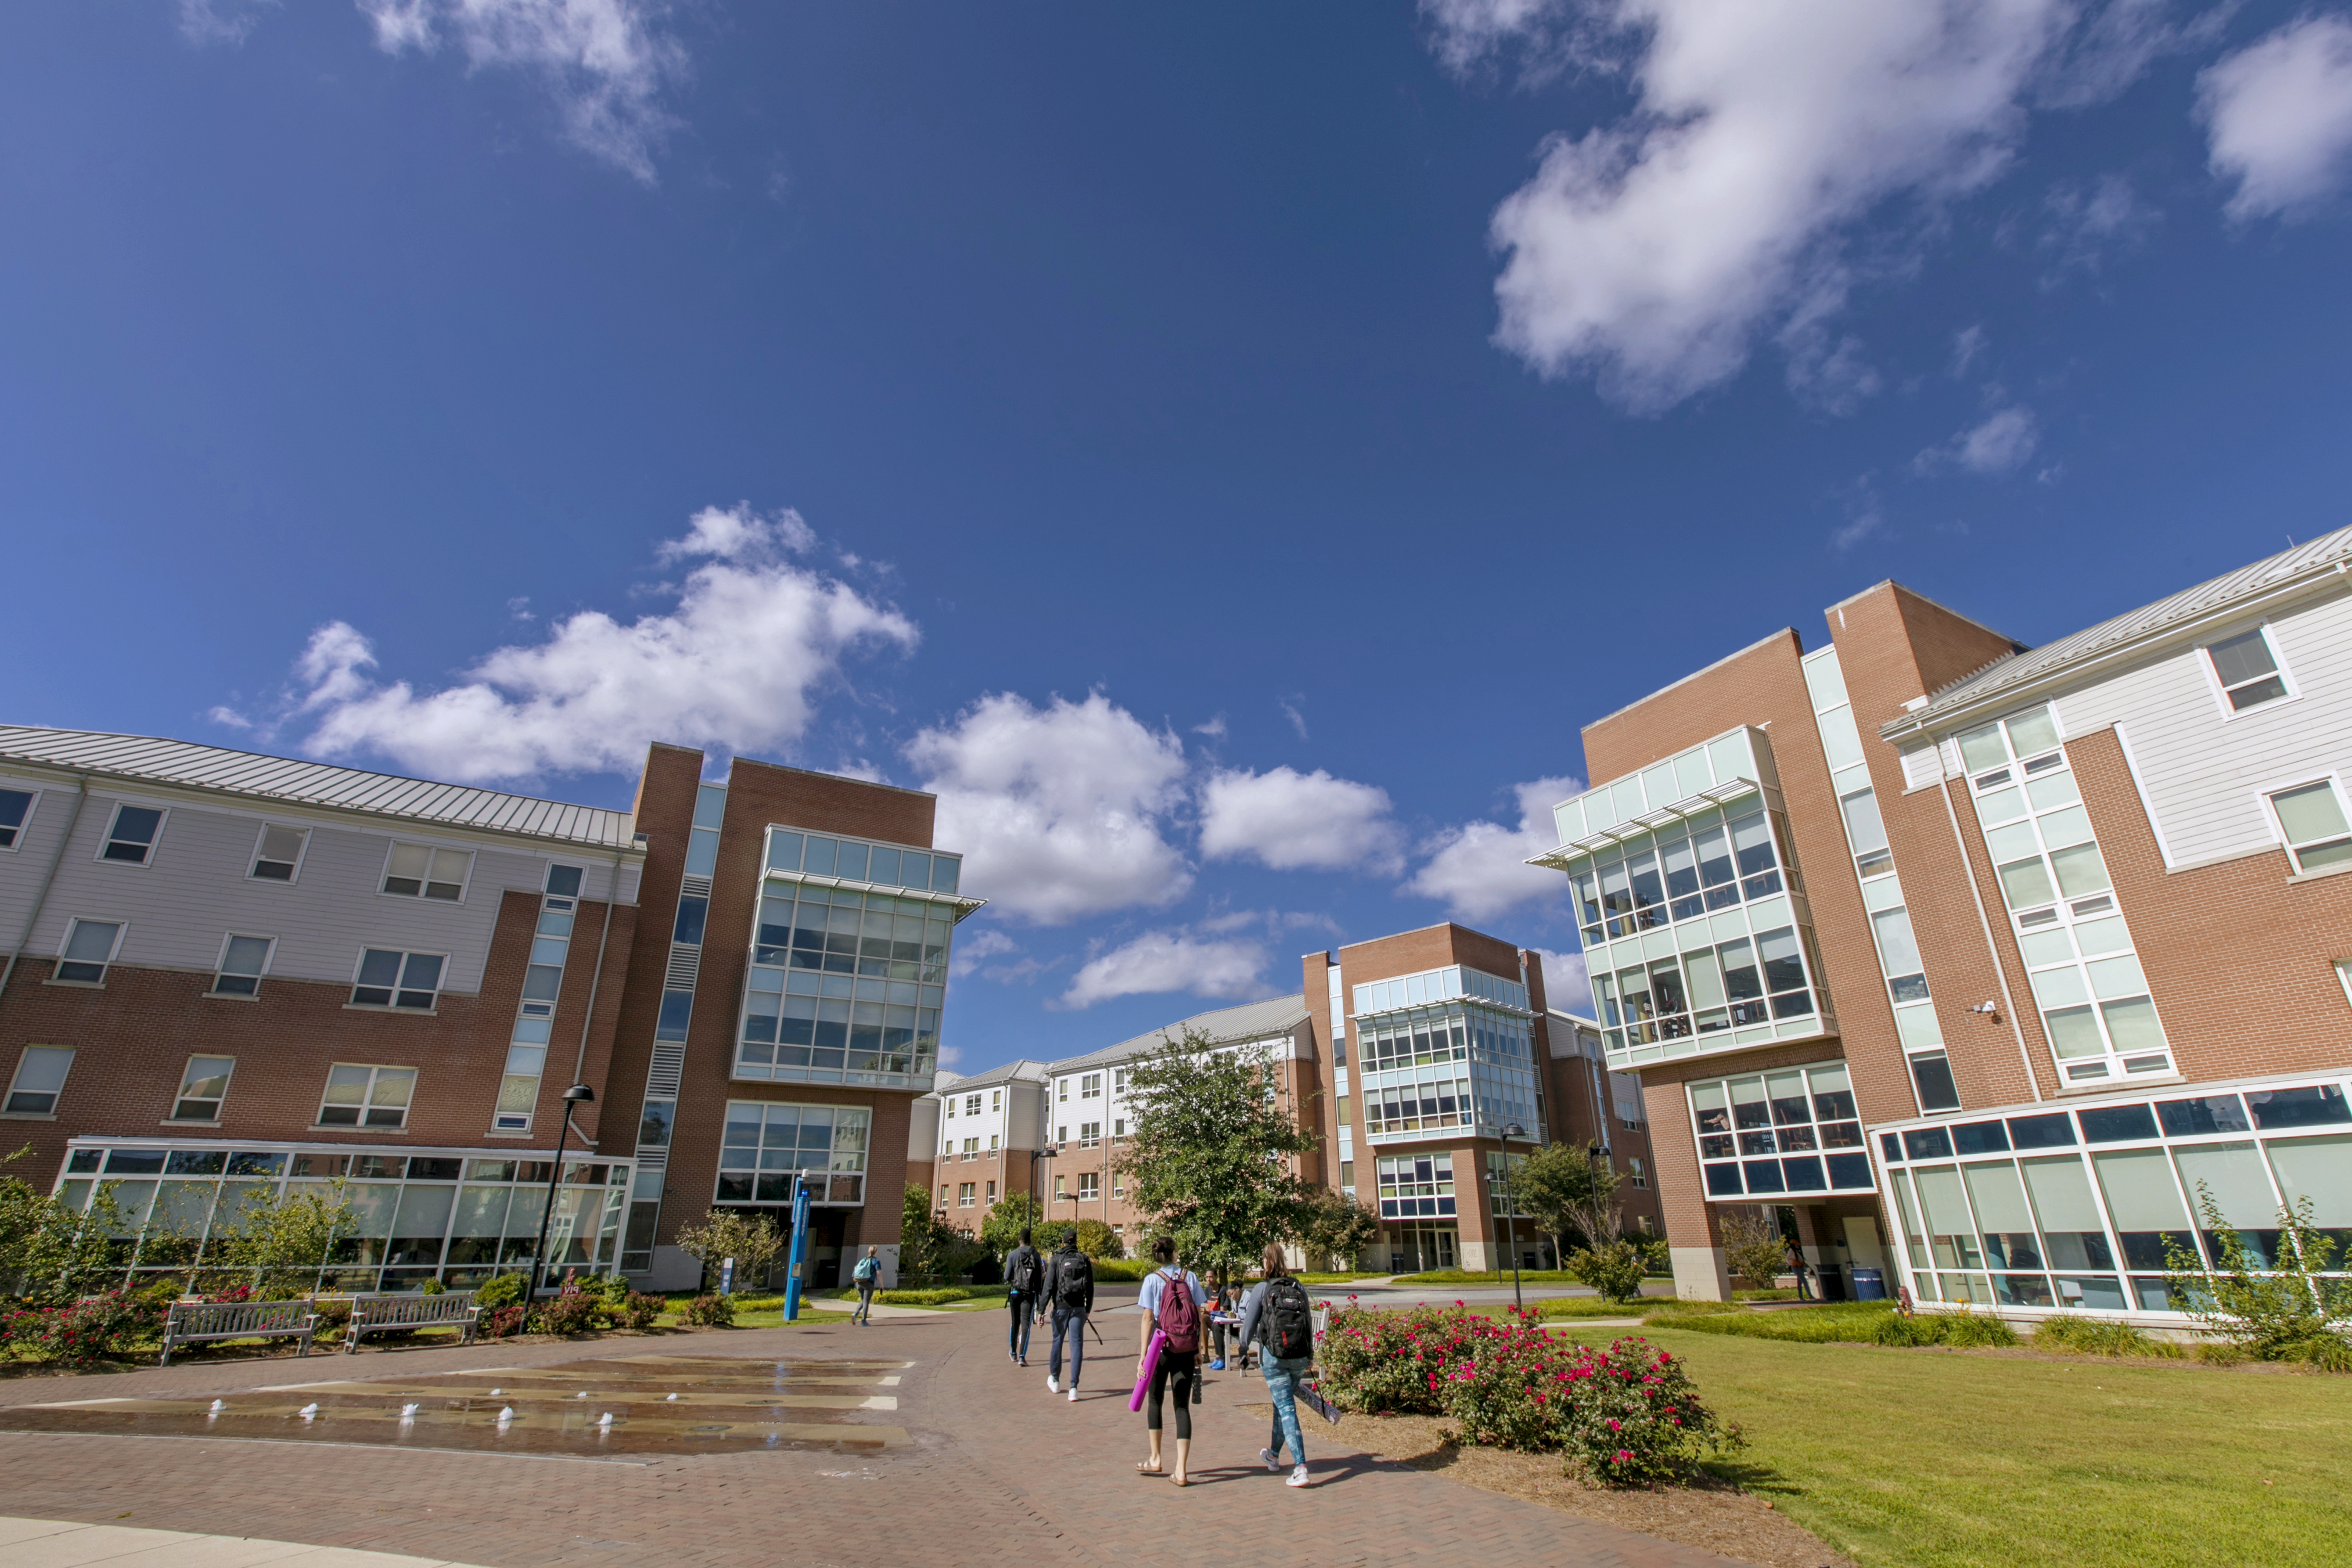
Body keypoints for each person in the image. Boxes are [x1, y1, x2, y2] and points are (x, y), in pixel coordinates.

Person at [1236, 1242, 1316, 1488]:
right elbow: (1308, 1321)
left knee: (1286, 1408)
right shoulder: (1297, 1286)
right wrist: (1310, 1353)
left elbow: (1248, 1326)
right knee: (1281, 1405)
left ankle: (1301, 1467)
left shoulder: (1263, 1288)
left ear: (1267, 1263)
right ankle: (1273, 1455)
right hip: (1299, 1356)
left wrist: (1243, 1349)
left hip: (1275, 1356)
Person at [1135, 1235, 1207, 1486]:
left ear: (1157, 1256)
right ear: (1174, 1253)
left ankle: (1155, 1459)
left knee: (1155, 1400)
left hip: (1161, 1349)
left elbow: (1147, 1319)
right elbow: (1200, 1312)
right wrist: (1199, 1348)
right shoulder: (1191, 1277)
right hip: (1186, 1348)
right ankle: (1181, 1470)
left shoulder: (1152, 1280)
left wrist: (1144, 1357)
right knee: (1182, 1407)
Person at [1044, 1231, 1093, 1401]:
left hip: (1060, 1307)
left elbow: (1048, 1286)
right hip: (1079, 1307)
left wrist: (1041, 1310)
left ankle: (1055, 1380)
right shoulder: (1084, 1259)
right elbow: (1091, 1287)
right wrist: (1088, 1309)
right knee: (1077, 1345)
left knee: (1057, 1341)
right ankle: (1074, 1388)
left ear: (1064, 1243)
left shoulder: (1057, 1259)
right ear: (1075, 1242)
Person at [1004, 1228, 1045, 1365]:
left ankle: (1013, 1352)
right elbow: (1039, 1278)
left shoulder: (1012, 1255)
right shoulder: (1036, 1255)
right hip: (1030, 1293)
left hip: (1015, 1293)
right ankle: (1022, 1356)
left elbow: (1006, 1276)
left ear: (1019, 1239)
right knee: (1026, 1325)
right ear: (1030, 1240)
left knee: (1015, 1323)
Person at [850, 1246, 882, 1325]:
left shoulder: (864, 1260)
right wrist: (882, 1285)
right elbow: (879, 1274)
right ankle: (863, 1322)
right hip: (869, 1283)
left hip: (859, 1283)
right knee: (866, 1303)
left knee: (863, 1301)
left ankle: (855, 1314)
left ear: (869, 1251)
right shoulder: (876, 1261)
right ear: (876, 1252)